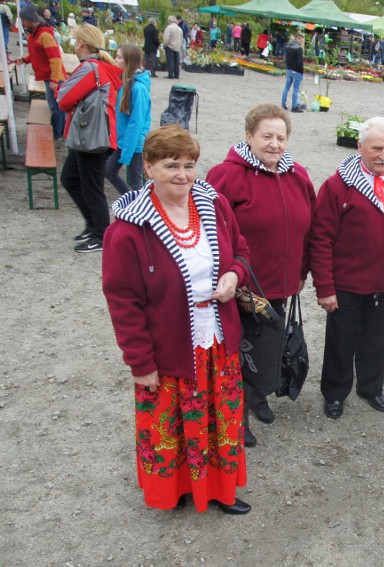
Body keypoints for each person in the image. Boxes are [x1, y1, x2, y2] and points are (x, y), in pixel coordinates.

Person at [102, 125, 252, 515]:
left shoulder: (212, 203)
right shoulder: (127, 230)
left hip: (217, 340)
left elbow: (241, 249)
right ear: (148, 167)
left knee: (220, 420)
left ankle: (219, 490)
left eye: (189, 165)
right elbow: (123, 301)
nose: (183, 175)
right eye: (171, 166)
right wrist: (140, 363)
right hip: (169, 348)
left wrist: (234, 274)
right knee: (171, 427)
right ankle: (176, 492)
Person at [207, 104, 315, 445]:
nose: (274, 143)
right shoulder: (227, 175)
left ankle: (256, 397)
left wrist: (302, 271)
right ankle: (236, 414)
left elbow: (309, 229)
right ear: (249, 136)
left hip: (279, 285)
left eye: (280, 137)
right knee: (239, 352)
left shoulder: (297, 175)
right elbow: (212, 232)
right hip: (242, 288)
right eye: (266, 135)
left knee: (268, 347)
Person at [310, 117, 384, 420]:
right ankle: (335, 392)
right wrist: (325, 287)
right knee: (341, 341)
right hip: (346, 284)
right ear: (360, 145)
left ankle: (371, 387)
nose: (383, 156)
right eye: (376, 148)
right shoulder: (337, 186)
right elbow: (320, 239)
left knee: (376, 339)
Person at [56, 24, 122, 253]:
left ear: (82, 44)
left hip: (92, 137)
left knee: (91, 187)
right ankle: (93, 225)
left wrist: (60, 89)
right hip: (92, 135)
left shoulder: (90, 68)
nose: (74, 46)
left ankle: (101, 234)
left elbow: (63, 100)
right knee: (71, 178)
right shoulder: (100, 67)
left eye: (76, 42)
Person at [14, 5, 67, 140]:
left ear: (27, 20)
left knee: (56, 106)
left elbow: (56, 59)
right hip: (49, 77)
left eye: (23, 21)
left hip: (54, 77)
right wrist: (24, 60)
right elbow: (36, 53)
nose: (23, 24)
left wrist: (55, 80)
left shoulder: (44, 35)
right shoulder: (35, 34)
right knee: (54, 105)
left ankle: (58, 133)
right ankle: (59, 131)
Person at [104, 45, 150, 196]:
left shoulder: (138, 89)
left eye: (119, 57)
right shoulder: (125, 82)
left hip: (134, 144)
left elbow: (136, 123)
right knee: (109, 171)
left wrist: (127, 151)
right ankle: (133, 202)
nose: (116, 60)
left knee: (135, 182)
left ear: (129, 61)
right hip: (122, 141)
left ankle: (141, 209)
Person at [281, 32, 304, 112]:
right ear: (297, 39)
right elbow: (299, 62)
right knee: (296, 89)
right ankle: (294, 106)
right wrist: (301, 72)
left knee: (286, 88)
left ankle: (283, 104)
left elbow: (285, 59)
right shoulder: (299, 49)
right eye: (301, 40)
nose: (302, 41)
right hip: (296, 71)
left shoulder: (288, 47)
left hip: (289, 69)